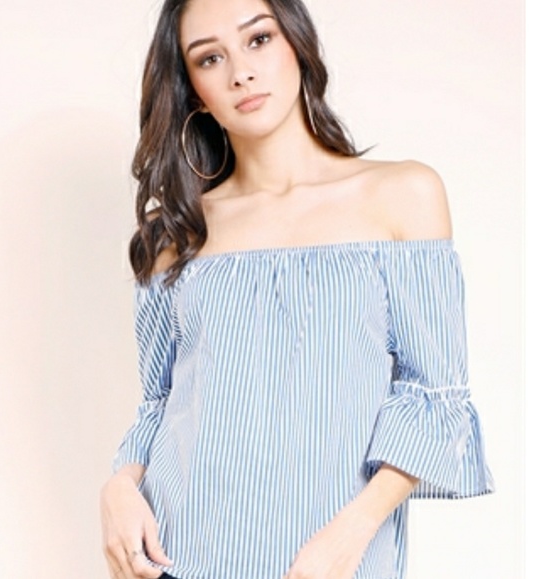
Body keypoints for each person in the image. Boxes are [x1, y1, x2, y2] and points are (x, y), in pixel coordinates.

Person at [99, 0, 495, 577]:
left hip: (330, 562)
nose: (241, 72)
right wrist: (119, 486)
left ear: (297, 43)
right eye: (210, 58)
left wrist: (350, 534)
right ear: (193, 90)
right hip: (180, 556)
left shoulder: (402, 195)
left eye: (258, 39)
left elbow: (434, 397)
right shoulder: (176, 232)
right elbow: (161, 402)